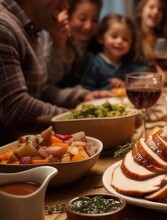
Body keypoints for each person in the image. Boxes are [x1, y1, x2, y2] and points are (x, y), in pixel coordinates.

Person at [0, 0, 111, 145]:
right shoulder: (4, 26)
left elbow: (43, 89)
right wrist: (79, 118)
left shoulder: (33, 30)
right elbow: (16, 109)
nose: (66, 7)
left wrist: (81, 97)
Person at [81, 14, 148, 91]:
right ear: (101, 38)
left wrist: (125, 84)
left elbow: (144, 73)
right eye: (114, 36)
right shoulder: (95, 63)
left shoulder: (127, 64)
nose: (119, 41)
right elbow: (87, 91)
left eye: (125, 39)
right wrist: (111, 88)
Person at [46, 0, 102, 88]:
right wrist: (58, 45)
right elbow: (50, 81)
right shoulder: (51, 40)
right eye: (82, 19)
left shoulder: (100, 43)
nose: (88, 26)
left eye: (95, 20)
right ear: (68, 17)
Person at [134, 0, 167, 71]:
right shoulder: (132, 37)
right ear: (140, 11)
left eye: (160, 9)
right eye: (151, 7)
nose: (156, 11)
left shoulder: (164, 40)